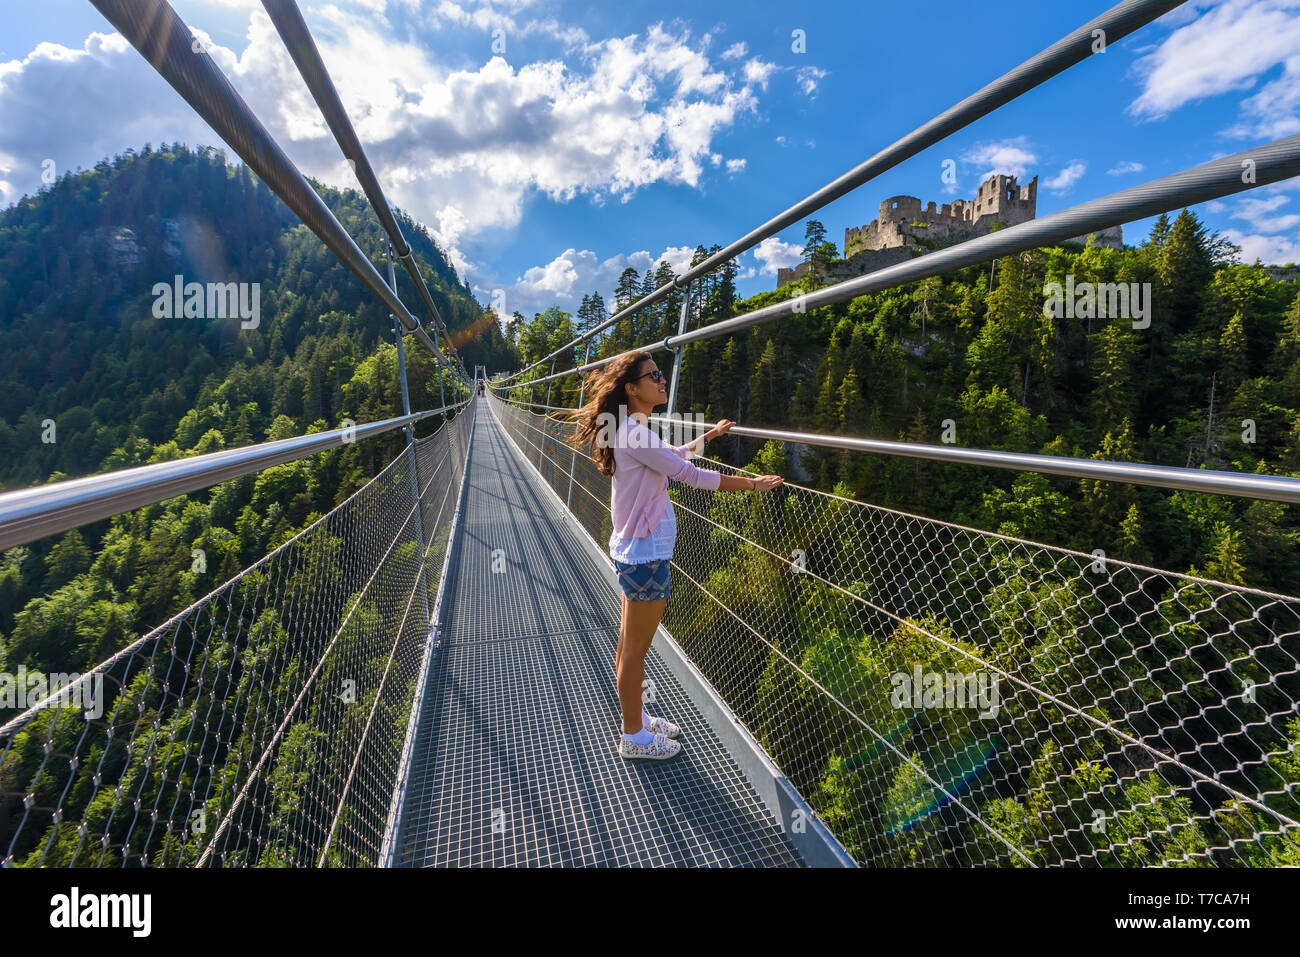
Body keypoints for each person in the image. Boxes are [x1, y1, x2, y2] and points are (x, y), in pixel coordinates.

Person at [571, 351, 783, 759]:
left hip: (636, 551)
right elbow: (689, 475)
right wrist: (752, 485)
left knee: (628, 645)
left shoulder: (630, 429)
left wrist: (709, 438)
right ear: (631, 388)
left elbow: (672, 457)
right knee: (634, 650)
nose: (662, 380)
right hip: (646, 554)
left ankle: (637, 718)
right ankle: (633, 736)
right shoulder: (636, 434)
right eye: (653, 376)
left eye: (661, 374)